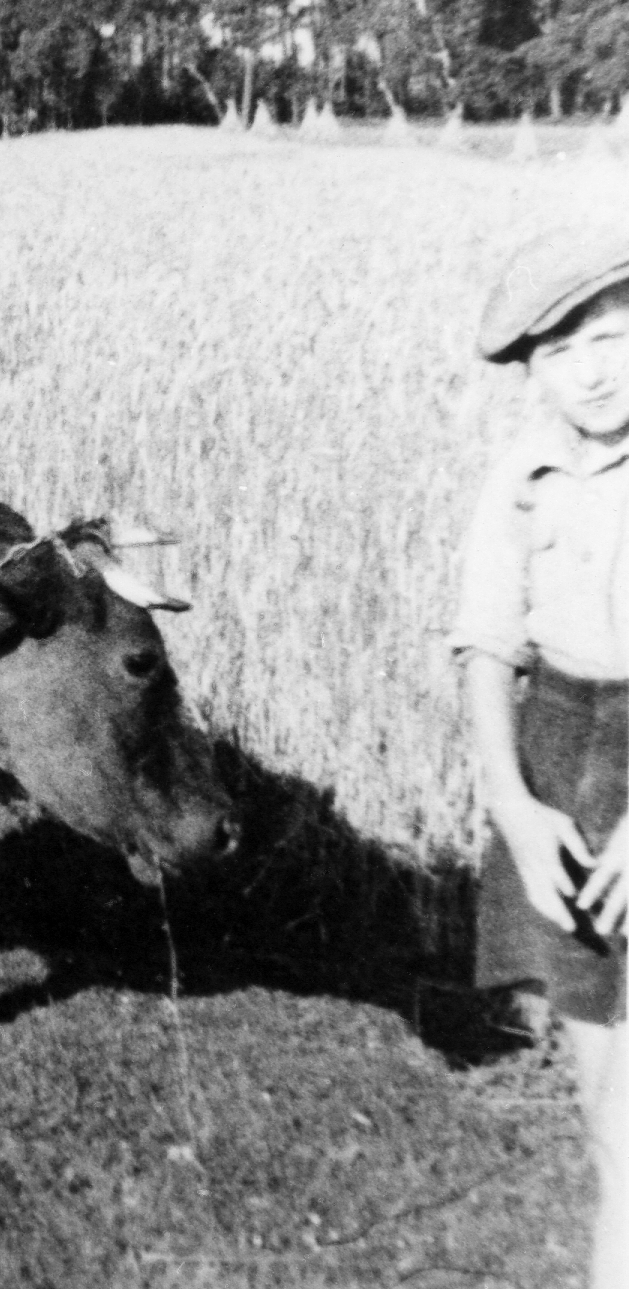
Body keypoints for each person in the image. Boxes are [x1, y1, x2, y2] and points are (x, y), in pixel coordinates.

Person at [453, 228, 629, 1289]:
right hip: (563, 759)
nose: (596, 368)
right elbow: (483, 647)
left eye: (615, 336)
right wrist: (515, 808)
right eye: (565, 350)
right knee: (606, 1085)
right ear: (530, 369)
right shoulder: (521, 478)